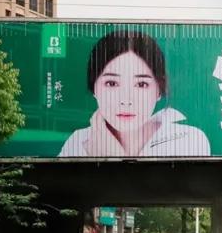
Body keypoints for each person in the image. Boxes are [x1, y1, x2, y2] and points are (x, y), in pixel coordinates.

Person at [59, 31, 210, 157]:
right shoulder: (78, 141)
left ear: (159, 90)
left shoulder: (188, 139)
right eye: (111, 83)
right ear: (94, 88)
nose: (126, 100)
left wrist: (112, 155)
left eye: (141, 84)